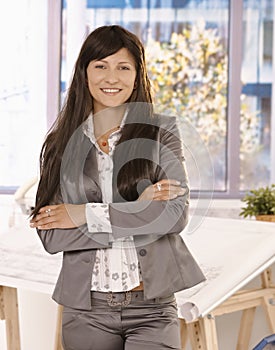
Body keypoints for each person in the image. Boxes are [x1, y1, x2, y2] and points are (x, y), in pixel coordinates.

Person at [30, 25, 205, 350]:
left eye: (123, 67)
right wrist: (140, 208)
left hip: (152, 307)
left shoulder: (161, 132)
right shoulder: (61, 143)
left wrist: (83, 213)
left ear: (137, 76)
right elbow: (53, 235)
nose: (112, 77)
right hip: (86, 311)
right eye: (101, 66)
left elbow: (173, 216)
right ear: (84, 74)